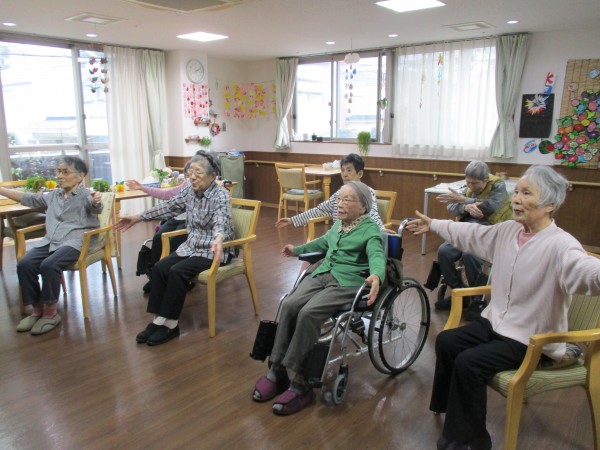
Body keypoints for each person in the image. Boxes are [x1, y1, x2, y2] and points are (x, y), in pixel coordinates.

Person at [406, 165, 600, 450]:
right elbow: (472, 233)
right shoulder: (509, 230)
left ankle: (472, 439)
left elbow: (587, 271)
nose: (516, 199)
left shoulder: (562, 246)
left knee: (469, 363)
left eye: (526, 193)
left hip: (531, 338)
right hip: (497, 322)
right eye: (516, 192)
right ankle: (452, 412)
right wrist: (434, 224)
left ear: (549, 205)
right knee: (447, 341)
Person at [252, 181, 386, 415]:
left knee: (308, 313)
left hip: (347, 281)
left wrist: (376, 275)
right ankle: (277, 370)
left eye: (347, 200)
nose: (340, 204)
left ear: (363, 207)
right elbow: (323, 243)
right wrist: (297, 250)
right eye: (339, 199)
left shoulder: (370, 230)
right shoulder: (340, 224)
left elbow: (377, 255)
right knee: (289, 303)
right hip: (324, 272)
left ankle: (301, 384)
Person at [115, 152, 234, 346]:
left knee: (177, 271)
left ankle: (171, 324)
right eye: (190, 172)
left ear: (212, 176)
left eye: (198, 172)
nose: (192, 177)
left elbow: (222, 220)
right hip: (192, 246)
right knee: (160, 267)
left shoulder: (221, 195)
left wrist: (219, 238)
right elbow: (168, 207)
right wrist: (137, 217)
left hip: (213, 250)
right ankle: (158, 319)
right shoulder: (190, 192)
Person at [0, 156, 103, 335]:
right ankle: (37, 309)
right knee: (25, 264)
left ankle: (50, 312)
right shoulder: (54, 195)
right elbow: (28, 198)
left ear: (80, 176)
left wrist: (97, 202)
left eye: (65, 172)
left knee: (50, 265)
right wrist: (1, 190)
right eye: (58, 171)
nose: (60, 176)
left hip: (76, 240)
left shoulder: (86, 195)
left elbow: (95, 206)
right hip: (52, 240)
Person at [434, 161, 512, 317]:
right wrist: (465, 207)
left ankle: (477, 299)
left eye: (475, 183)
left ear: (485, 180)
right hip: (467, 227)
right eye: (468, 182)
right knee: (444, 251)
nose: (471, 186)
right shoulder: (468, 187)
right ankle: (459, 294)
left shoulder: (498, 185)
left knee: (470, 255)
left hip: (489, 230)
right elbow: (451, 206)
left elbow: (491, 206)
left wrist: (465, 201)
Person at [275, 153, 392, 233]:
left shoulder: (367, 192)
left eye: (349, 170)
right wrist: (292, 220)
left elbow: (373, 214)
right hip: (336, 239)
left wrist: (381, 229)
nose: (344, 174)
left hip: (356, 240)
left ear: (360, 173)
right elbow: (319, 210)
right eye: (342, 170)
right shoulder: (338, 194)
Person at [126, 161, 192, 294]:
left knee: (174, 242)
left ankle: (175, 279)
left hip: (189, 222)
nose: (191, 177)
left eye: (195, 173)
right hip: (175, 218)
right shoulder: (186, 185)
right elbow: (166, 195)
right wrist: (142, 187)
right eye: (188, 174)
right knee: (158, 238)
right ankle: (155, 276)